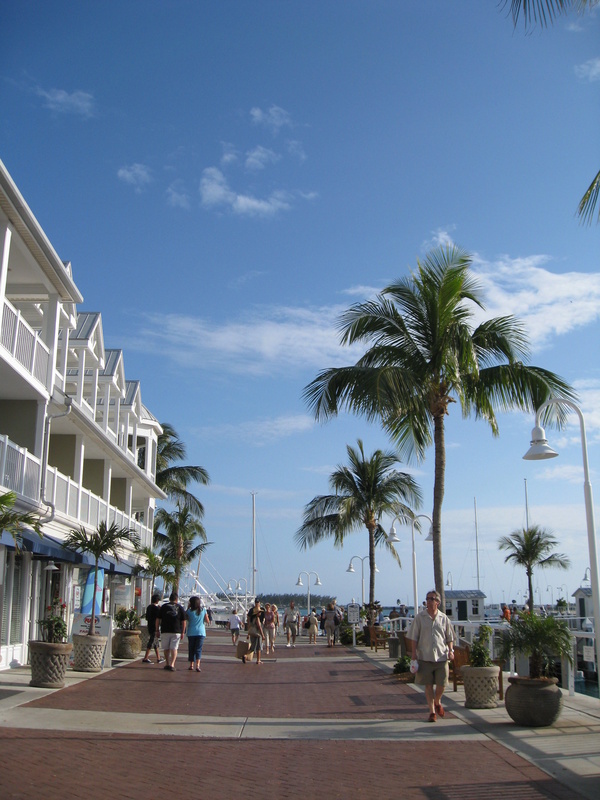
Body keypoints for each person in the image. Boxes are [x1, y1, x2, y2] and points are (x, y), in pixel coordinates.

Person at [406, 590, 455, 722]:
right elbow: (414, 637)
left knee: (442, 684)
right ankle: (432, 711)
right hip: (425, 656)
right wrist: (414, 654)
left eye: (432, 599)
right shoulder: (419, 617)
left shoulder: (444, 618)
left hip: (441, 656)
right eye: (427, 599)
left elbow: (450, 637)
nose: (429, 601)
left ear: (437, 602)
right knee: (428, 685)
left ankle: (437, 701)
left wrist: (451, 650)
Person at [155, 591, 186, 672]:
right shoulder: (180, 607)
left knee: (166, 648)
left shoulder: (163, 607)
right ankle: (172, 664)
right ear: (176, 599)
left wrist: (157, 630)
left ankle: (167, 663)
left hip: (165, 630)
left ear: (169, 599)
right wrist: (183, 632)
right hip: (176, 630)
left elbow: (158, 619)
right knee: (174, 648)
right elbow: (183, 621)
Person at [186, 595, 207, 672]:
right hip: (201, 632)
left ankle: (191, 665)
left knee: (191, 648)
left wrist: (188, 608)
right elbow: (207, 620)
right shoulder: (203, 610)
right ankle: (198, 665)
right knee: (198, 649)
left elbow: (186, 618)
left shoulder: (189, 612)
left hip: (191, 632)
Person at [142, 593, 165, 664]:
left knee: (155, 642)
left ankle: (158, 657)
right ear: (157, 600)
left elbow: (147, 617)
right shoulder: (157, 608)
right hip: (155, 627)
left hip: (149, 625)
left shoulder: (149, 607)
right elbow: (159, 617)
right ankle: (145, 657)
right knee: (152, 641)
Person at [245, 597, 265, 665]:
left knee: (253, 646)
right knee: (258, 647)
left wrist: (248, 633)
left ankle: (245, 655)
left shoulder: (251, 617)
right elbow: (259, 626)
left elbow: (248, 621)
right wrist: (263, 635)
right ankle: (258, 660)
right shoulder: (257, 619)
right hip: (257, 632)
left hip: (251, 631)